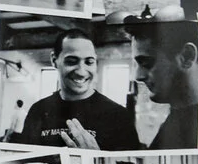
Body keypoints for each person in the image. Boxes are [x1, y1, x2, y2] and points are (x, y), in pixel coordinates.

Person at [10, 28, 143, 151]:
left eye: (89, 62)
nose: (81, 72)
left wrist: (96, 159)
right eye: (72, 61)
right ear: (54, 60)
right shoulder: (38, 111)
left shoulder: (119, 116)